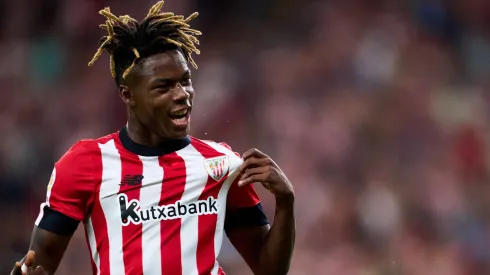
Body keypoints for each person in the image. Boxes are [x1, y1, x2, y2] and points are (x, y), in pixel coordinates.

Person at [10, 1, 295, 275]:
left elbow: (269, 268)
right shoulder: (84, 164)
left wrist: (285, 202)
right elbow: (39, 264)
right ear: (127, 94)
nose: (182, 94)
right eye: (164, 86)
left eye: (185, 80)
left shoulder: (222, 165)